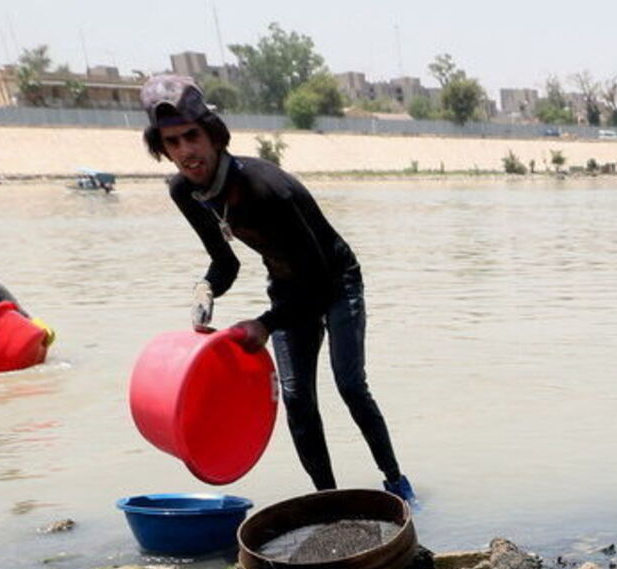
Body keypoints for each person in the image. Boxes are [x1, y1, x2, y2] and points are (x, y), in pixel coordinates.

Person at [140, 74, 415, 503]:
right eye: (172, 143)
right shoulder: (185, 191)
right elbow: (226, 262)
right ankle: (329, 502)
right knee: (295, 398)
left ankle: (396, 482)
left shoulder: (265, 187)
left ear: (213, 135)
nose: (185, 153)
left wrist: (266, 324)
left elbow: (320, 280)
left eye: (192, 137)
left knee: (349, 385)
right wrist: (206, 287)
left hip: (335, 280)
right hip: (288, 289)